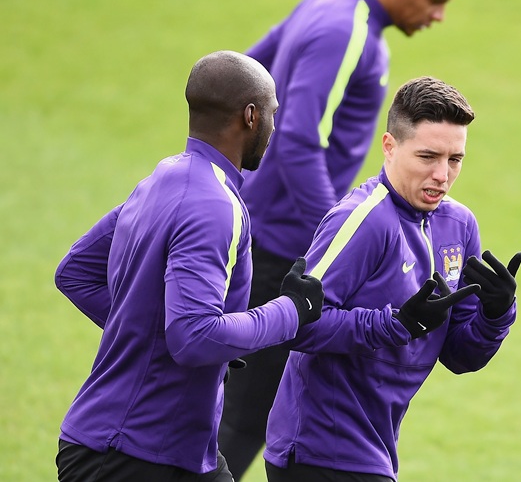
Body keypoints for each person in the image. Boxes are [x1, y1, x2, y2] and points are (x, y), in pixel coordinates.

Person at [218, 0, 465, 476]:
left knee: (229, 414)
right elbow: (300, 140)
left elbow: (242, 77)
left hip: (256, 233)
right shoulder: (348, 32)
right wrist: (334, 233)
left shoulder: (326, 0)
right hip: (283, 252)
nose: (438, 15)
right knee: (240, 423)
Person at [53, 50, 326, 482]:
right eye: (273, 114)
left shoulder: (160, 180)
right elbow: (194, 337)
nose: (275, 128)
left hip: (169, 452)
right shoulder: (215, 207)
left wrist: (152, 342)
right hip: (129, 457)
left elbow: (76, 271)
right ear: (251, 116)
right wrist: (289, 312)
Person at [262, 76, 521, 481]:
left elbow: (460, 355)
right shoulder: (363, 221)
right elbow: (296, 324)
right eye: (428, 156)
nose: (442, 174)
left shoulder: (459, 225)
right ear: (389, 146)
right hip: (319, 447)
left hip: (376, 448)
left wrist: (496, 315)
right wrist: (395, 324)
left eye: (455, 160)